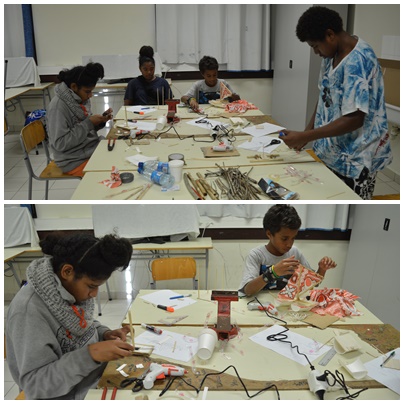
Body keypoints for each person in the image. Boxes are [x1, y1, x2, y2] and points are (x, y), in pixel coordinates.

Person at [280, 6, 392, 200]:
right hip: (331, 152)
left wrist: (306, 135)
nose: (316, 52)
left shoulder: (359, 60)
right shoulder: (331, 55)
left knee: (349, 200)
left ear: (330, 35)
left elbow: (354, 119)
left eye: (316, 46)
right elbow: (325, 97)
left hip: (356, 159)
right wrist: (306, 134)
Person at [6, 233, 134, 399]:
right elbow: (35, 385)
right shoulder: (28, 312)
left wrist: (104, 333)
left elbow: (82, 323)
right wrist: (90, 355)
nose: (94, 294)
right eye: (91, 286)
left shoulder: (68, 289)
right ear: (67, 271)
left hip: (94, 380)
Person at [239, 205, 336, 297]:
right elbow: (248, 290)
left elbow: (312, 283)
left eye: (293, 238)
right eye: (284, 239)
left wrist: (322, 269)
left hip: (286, 304)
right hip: (261, 304)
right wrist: (273, 273)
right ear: (269, 234)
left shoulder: (294, 253)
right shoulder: (256, 255)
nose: (289, 244)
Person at [47, 62, 113, 177]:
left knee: (119, 155)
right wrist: (89, 123)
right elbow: (60, 144)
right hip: (73, 160)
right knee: (112, 170)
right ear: (74, 87)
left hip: (88, 150)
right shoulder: (58, 107)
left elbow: (82, 130)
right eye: (87, 91)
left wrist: (99, 123)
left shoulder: (78, 99)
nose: (90, 95)